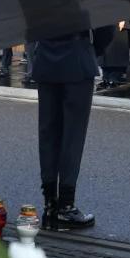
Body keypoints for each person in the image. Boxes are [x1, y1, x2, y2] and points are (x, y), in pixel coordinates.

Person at [31, 25, 116, 230]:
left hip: (46, 52)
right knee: (73, 136)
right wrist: (94, 49)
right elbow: (106, 25)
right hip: (77, 54)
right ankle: (66, 205)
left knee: (48, 133)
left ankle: (50, 202)